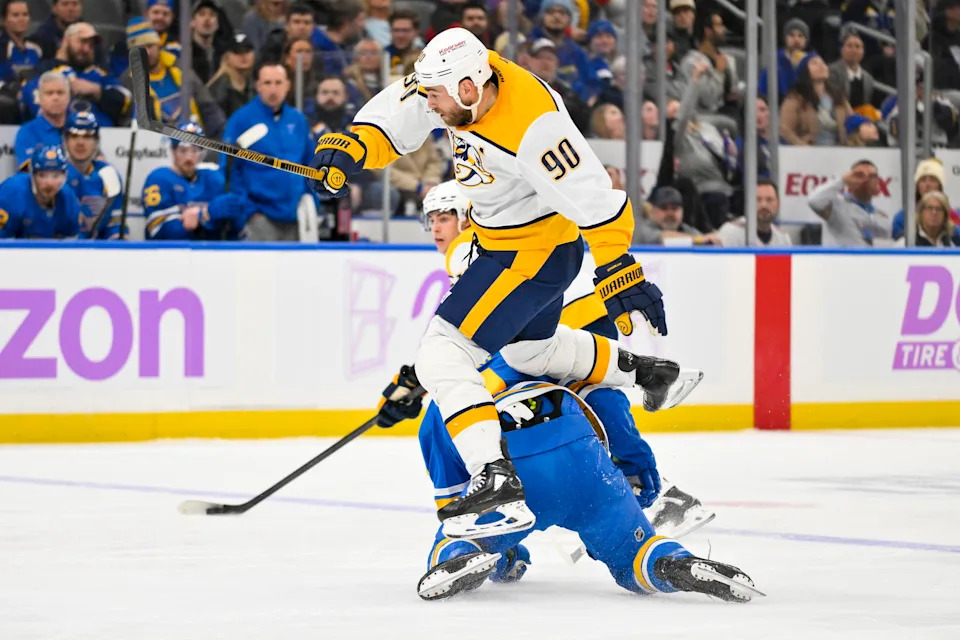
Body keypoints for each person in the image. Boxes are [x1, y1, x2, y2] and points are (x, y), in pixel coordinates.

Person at [309, 27, 674, 540]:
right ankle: (646, 372)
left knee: (443, 353)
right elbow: (406, 107)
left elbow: (594, 193)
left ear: (467, 89)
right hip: (516, 247)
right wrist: (355, 145)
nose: (430, 107)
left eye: (438, 97)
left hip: (529, 253)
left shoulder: (534, 125)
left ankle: (495, 477)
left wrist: (617, 265)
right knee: (532, 352)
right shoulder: (460, 82)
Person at [405, 377, 756, 602]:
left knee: (458, 540)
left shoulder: (450, 386)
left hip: (516, 470)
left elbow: (449, 484)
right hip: (587, 465)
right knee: (634, 553)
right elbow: (605, 399)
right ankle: (673, 565)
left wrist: (484, 540)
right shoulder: (550, 347)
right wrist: (637, 466)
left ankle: (461, 558)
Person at [223, 61, 315, 241]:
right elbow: (229, 169)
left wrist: (312, 202)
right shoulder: (242, 120)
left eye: (278, 83)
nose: (273, 89)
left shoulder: (297, 120)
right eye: (267, 83)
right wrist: (247, 211)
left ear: (288, 85)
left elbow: (310, 163)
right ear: (258, 86)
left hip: (295, 217)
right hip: (259, 218)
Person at [142, 122, 248, 240]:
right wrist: (205, 214)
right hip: (170, 256)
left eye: (194, 150)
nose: (189, 157)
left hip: (211, 254)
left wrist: (234, 218)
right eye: (183, 150)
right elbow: (164, 233)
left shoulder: (214, 179)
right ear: (173, 151)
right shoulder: (159, 179)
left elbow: (233, 232)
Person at [22, 22, 131, 128]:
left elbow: (126, 100)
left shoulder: (100, 74)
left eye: (91, 45)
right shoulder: (45, 70)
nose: (87, 49)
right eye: (82, 42)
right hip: (58, 133)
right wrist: (63, 91)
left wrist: (95, 90)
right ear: (66, 40)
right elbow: (32, 97)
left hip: (103, 136)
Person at [62, 110, 125, 239]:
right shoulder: (54, 174)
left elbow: (114, 224)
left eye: (87, 136)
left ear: (96, 141)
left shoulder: (109, 175)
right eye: (74, 136)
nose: (80, 142)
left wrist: (117, 239)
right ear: (65, 141)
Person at [0, 144, 80, 239]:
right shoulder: (11, 193)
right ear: (32, 175)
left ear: (65, 176)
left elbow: (71, 244)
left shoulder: (68, 198)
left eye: (56, 176)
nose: (49, 183)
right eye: (42, 175)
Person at [807, 158, 891, 247]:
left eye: (872, 176)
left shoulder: (881, 215)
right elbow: (814, 200)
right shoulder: (836, 206)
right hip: (840, 259)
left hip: (870, 260)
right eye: (859, 175)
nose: (866, 180)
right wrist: (843, 180)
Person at [14, 71, 70, 166]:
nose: (55, 97)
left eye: (60, 93)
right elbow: (30, 170)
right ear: (39, 98)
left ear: (68, 97)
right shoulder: (27, 132)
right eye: (49, 93)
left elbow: (97, 163)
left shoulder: (78, 128)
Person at [717, 179, 792, 247]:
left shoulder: (783, 238)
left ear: (778, 204)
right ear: (749, 203)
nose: (764, 205)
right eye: (758, 199)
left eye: (769, 200)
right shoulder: (730, 232)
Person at [206, 33, 256, 119]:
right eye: (237, 52)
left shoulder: (256, 84)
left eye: (247, 51)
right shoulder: (219, 88)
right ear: (227, 57)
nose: (243, 56)